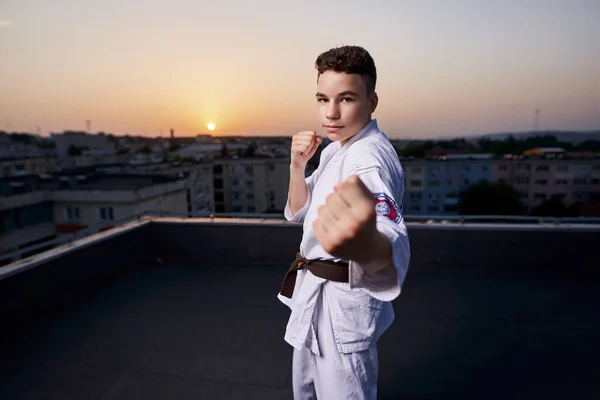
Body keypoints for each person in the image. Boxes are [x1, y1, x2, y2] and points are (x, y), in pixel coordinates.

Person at [277, 45, 411, 399]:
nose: (331, 113)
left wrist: (369, 241)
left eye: (346, 99)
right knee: (306, 391)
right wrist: (297, 166)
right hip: (316, 296)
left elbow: (387, 228)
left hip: (341, 307)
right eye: (323, 99)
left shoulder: (366, 159)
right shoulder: (339, 147)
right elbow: (300, 211)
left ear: (372, 101)